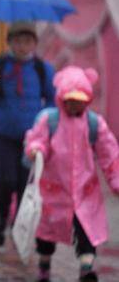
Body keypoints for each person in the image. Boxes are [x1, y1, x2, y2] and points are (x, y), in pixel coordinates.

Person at [25, 66, 119, 282]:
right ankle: (44, 264)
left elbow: (109, 154)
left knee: (87, 231)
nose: (75, 104)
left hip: (86, 192)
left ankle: (87, 267)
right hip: (54, 192)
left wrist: (115, 181)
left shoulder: (94, 124)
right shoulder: (50, 121)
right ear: (62, 98)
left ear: (86, 100)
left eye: (79, 99)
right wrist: (36, 149)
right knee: (46, 235)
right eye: (70, 99)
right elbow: (38, 139)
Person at [0, 21, 55, 246]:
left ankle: (16, 225)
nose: (23, 46)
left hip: (31, 138)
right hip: (2, 134)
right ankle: (1, 219)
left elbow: (52, 99)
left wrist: (44, 121)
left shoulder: (42, 69)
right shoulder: (0, 65)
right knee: (5, 181)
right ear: (10, 42)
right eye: (18, 41)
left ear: (34, 43)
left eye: (28, 41)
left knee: (24, 183)